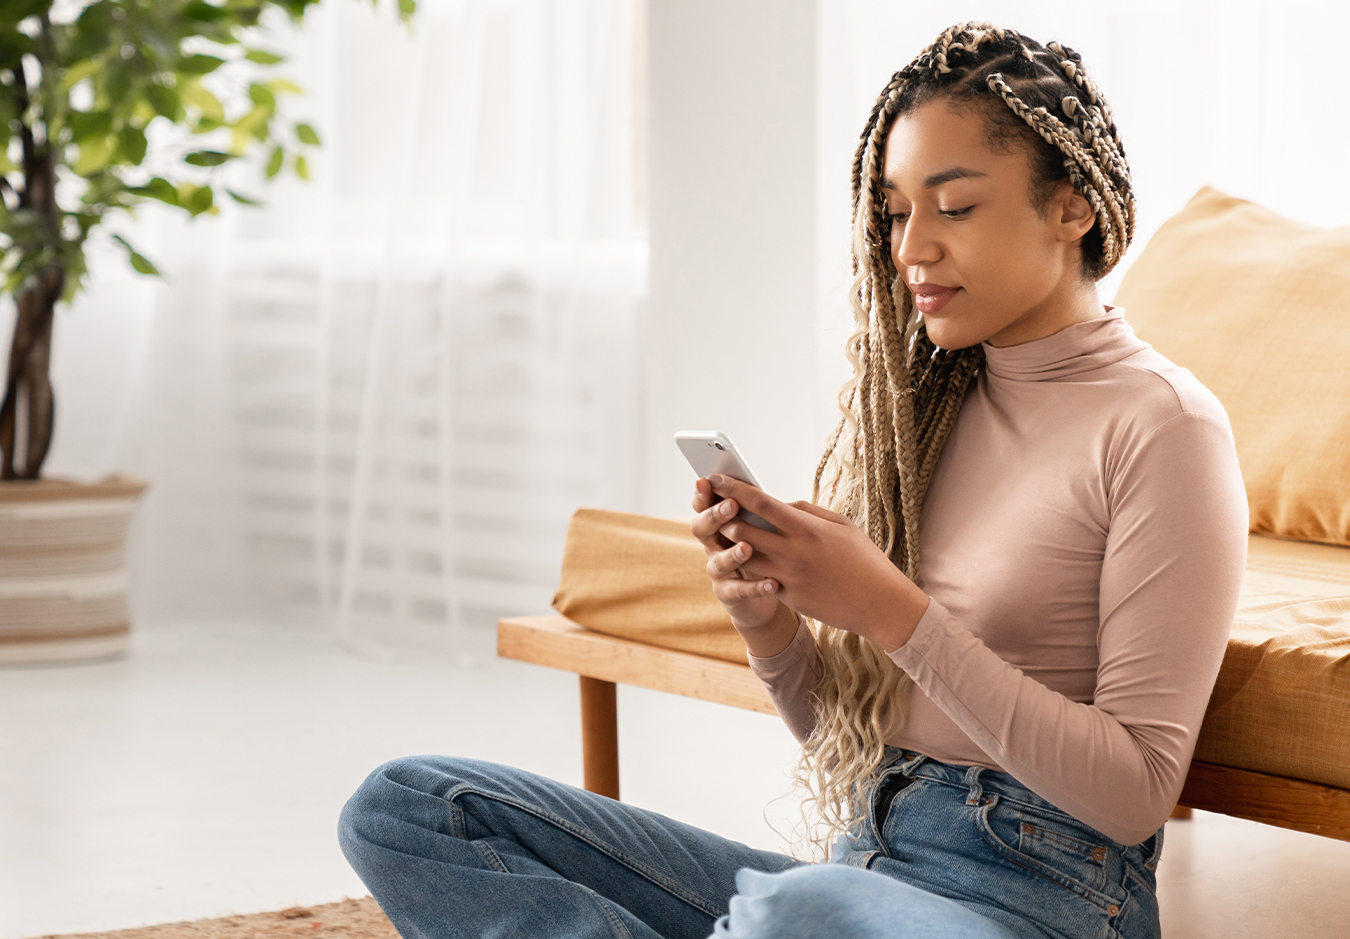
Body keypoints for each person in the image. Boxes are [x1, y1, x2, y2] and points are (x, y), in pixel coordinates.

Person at [337, 22, 1247, 939]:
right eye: (894, 212)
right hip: (867, 875)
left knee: (799, 909)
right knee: (410, 805)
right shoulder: (929, 413)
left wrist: (891, 610)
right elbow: (843, 735)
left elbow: (1134, 794)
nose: (910, 249)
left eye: (954, 207)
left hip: (1041, 901)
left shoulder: (1163, 426)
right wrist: (768, 621)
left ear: (1073, 207)